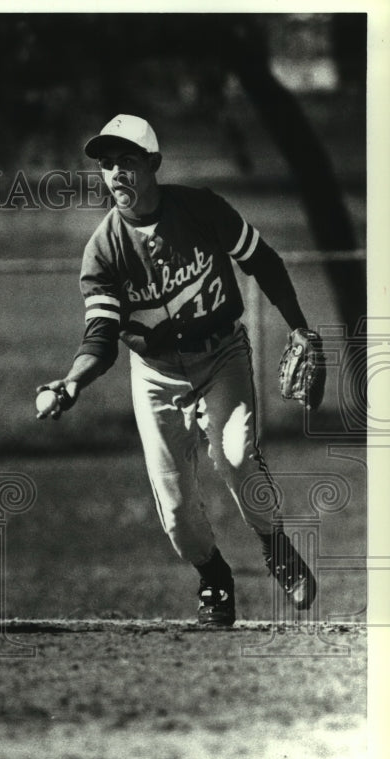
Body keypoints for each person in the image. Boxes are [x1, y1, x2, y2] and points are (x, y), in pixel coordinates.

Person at [37, 114, 318, 627]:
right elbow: (100, 337)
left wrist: (298, 327)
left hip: (221, 356)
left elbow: (264, 262)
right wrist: (72, 381)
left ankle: (274, 545)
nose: (116, 173)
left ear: (153, 165)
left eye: (127, 161)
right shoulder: (103, 250)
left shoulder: (201, 209)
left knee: (235, 455)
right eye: (107, 165)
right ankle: (214, 577)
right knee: (176, 510)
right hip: (157, 374)